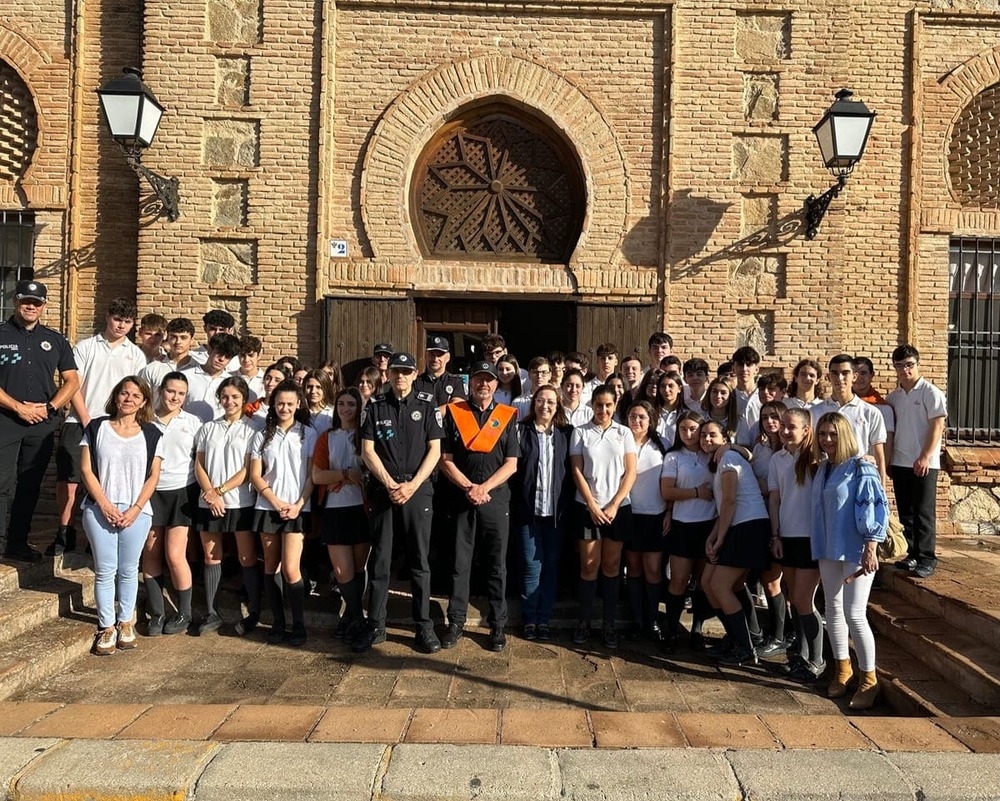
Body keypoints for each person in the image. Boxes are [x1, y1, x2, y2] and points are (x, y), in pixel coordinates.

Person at [354, 351, 444, 654]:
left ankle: (423, 627)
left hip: (418, 491)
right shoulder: (375, 406)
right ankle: (376, 625)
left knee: (420, 561)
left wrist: (412, 485)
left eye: (406, 371)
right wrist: (392, 484)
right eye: (395, 371)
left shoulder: (427, 404)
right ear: (387, 374)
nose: (400, 376)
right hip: (385, 490)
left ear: (414, 374)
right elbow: (367, 450)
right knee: (380, 560)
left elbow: (435, 450)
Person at [55, 298, 146, 557]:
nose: (121, 326)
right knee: (70, 479)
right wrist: (86, 419)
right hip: (80, 420)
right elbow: (73, 384)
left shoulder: (135, 354)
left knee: (104, 480)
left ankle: (94, 536)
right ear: (108, 317)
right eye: (118, 319)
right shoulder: (85, 347)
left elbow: (136, 392)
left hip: (114, 425)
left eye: (127, 322)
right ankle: (65, 532)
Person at [439, 360, 520, 652]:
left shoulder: (507, 416)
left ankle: (497, 625)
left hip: (495, 499)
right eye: (478, 380)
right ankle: (456, 622)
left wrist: (484, 488)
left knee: (496, 566)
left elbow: (512, 464)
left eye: (489, 380)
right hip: (461, 498)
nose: (483, 385)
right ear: (470, 383)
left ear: (496, 385)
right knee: (460, 564)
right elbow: (445, 459)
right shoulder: (454, 414)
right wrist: (469, 487)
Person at [79, 376, 163, 655]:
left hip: (136, 511)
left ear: (144, 402)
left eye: (135, 396)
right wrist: (103, 504)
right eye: (124, 393)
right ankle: (106, 627)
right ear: (116, 397)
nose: (128, 399)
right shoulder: (96, 427)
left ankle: (125, 622)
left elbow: (153, 477)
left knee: (128, 571)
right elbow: (86, 470)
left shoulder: (152, 433)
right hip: (99, 507)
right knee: (105, 570)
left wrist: (135, 509)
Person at [811, 412, 888, 709]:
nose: (827, 439)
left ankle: (869, 679)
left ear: (844, 435)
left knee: (855, 612)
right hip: (827, 546)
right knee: (832, 607)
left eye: (832, 434)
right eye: (823, 434)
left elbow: (876, 506)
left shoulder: (860, 468)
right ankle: (843, 668)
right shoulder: (823, 469)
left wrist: (871, 545)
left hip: (856, 548)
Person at [0, 280, 80, 562]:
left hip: (41, 424)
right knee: (1, 483)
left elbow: (72, 380)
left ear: (44, 306)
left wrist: (50, 407)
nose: (31, 307)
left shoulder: (56, 340)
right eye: (25, 301)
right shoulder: (1, 334)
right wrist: (18, 408)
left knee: (30, 483)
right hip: (5, 419)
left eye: (36, 303)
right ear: (15, 302)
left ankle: (17, 543)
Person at [249, 379, 317, 647]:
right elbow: (255, 475)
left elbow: (312, 475)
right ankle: (278, 622)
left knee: (291, 569)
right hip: (268, 507)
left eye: (290, 403)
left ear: (298, 404)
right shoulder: (262, 435)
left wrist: (299, 503)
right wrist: (275, 502)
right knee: (270, 566)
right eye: (280, 403)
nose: (285, 408)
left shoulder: (308, 434)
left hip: (298, 508)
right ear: (272, 404)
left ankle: (298, 624)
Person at [569, 385, 638, 649]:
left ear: (615, 404)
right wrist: (592, 505)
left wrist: (613, 505)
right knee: (588, 566)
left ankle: (609, 624)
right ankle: (584, 622)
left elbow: (630, 472)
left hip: (617, 509)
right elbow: (577, 471)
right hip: (586, 508)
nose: (603, 410)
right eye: (599, 405)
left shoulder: (624, 433)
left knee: (611, 567)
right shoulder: (580, 432)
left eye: (608, 405)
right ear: (592, 405)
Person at [702, 418, 771, 666]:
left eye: (712, 435)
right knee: (708, 584)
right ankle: (735, 637)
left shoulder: (730, 459)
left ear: (724, 439)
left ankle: (745, 647)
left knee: (720, 586)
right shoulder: (721, 461)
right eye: (704, 436)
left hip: (748, 526)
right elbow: (724, 508)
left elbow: (730, 500)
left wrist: (720, 539)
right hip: (735, 526)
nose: (707, 439)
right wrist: (713, 537)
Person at [195, 376, 259, 635]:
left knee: (246, 556)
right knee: (211, 556)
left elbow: (248, 469)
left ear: (244, 399)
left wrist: (220, 490)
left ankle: (254, 611)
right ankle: (211, 612)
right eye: (225, 396)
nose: (229, 401)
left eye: (234, 397)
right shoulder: (208, 428)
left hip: (239, 501)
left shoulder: (252, 430)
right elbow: (199, 463)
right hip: (208, 501)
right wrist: (209, 492)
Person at [512, 385, 574, 641]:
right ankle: (529, 618)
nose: (545, 406)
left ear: (558, 405)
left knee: (551, 565)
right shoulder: (520, 430)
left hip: (557, 513)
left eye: (550, 401)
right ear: (533, 403)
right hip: (529, 511)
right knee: (530, 565)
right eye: (540, 400)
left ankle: (544, 618)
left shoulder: (567, 433)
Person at [768, 407, 824, 682]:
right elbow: (775, 498)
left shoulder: (817, 459)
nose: (785, 431)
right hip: (787, 535)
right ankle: (801, 657)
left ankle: (817, 660)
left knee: (804, 599)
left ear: (805, 430)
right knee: (794, 599)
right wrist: (775, 535)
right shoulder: (777, 459)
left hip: (811, 538)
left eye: (792, 427)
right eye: (783, 426)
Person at [143, 372, 201, 636]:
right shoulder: (144, 420)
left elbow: (201, 460)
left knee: (175, 554)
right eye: (170, 392)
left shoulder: (193, 422)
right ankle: (157, 613)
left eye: (180, 393)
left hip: (181, 492)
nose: (175, 398)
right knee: (151, 550)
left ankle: (183, 613)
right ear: (160, 390)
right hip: (151, 491)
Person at [312, 387, 369, 641]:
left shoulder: (365, 436)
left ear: (359, 408)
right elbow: (317, 475)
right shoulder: (327, 437)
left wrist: (354, 477)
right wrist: (345, 475)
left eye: (351, 404)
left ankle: (351, 618)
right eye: (341, 404)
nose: (346, 409)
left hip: (360, 508)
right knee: (342, 569)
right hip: (335, 508)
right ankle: (358, 619)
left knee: (358, 568)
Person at [887, 345, 947, 579]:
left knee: (923, 511)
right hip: (900, 461)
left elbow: (937, 427)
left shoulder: (931, 393)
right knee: (906, 511)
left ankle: (927, 557)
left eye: (909, 364)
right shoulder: (894, 397)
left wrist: (924, 456)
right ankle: (912, 552)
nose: (905, 370)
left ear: (917, 364)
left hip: (924, 462)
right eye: (900, 365)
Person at [660, 411, 716, 651]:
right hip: (683, 525)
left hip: (708, 524)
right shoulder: (673, 457)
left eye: (693, 429)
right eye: (683, 429)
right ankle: (671, 630)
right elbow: (667, 491)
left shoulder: (713, 456)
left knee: (703, 581)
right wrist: (696, 493)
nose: (688, 434)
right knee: (679, 579)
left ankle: (697, 629)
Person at [622, 400, 667, 641]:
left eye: (641, 417)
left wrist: (669, 512)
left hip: (654, 516)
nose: (636, 421)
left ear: (650, 420)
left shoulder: (662, 445)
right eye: (632, 416)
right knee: (634, 569)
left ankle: (652, 620)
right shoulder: (621, 440)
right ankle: (638, 621)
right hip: (630, 513)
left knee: (653, 570)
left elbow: (673, 479)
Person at [812, 354, 889, 487]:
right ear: (828, 376)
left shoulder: (870, 412)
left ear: (854, 376)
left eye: (845, 373)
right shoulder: (815, 412)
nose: (840, 378)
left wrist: (881, 493)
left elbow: (879, 457)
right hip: (825, 481)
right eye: (835, 373)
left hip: (858, 479)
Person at [184, 333, 240, 423]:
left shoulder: (231, 383)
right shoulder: (186, 376)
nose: (222, 359)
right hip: (187, 431)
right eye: (219, 353)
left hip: (215, 433)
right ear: (209, 349)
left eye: (227, 357)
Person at [139, 317, 198, 393]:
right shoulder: (152, 369)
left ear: (192, 340)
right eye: (173, 337)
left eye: (183, 338)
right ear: (167, 337)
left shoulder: (199, 369)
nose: (178, 342)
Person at [415, 335, 467, 405]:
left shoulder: (456, 382)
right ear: (425, 355)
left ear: (448, 357)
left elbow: (456, 406)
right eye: (431, 354)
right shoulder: (416, 383)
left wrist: (430, 414)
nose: (435, 359)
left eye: (440, 355)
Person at [302, 369, 336, 435]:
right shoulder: (299, 413)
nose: (313, 391)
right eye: (309, 387)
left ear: (326, 389)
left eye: (318, 387)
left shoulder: (333, 413)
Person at [731, 346, 761, 415]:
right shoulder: (729, 397)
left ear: (756, 369)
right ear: (733, 369)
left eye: (748, 364)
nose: (744, 369)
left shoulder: (764, 396)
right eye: (740, 365)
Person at [237, 335, 265, 401]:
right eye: (243, 355)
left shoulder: (266, 381)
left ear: (259, 356)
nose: (246, 360)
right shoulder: (227, 377)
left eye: (251, 355)